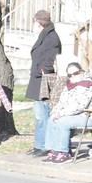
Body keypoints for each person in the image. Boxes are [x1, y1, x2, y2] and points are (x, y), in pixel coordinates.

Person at [40, 62, 92, 163]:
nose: (73, 76)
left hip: (90, 116)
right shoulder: (68, 87)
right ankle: (54, 150)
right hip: (74, 115)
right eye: (70, 75)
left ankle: (64, 153)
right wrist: (55, 112)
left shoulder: (88, 85)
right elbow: (61, 103)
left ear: (81, 72)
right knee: (51, 120)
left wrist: (61, 114)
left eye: (76, 73)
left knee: (63, 122)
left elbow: (79, 106)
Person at [25, 9, 62, 156]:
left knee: (43, 115)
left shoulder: (51, 37)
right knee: (38, 115)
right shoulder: (45, 34)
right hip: (38, 80)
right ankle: (39, 144)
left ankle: (45, 146)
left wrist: (43, 70)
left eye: (34, 20)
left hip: (43, 81)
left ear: (39, 22)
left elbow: (51, 58)